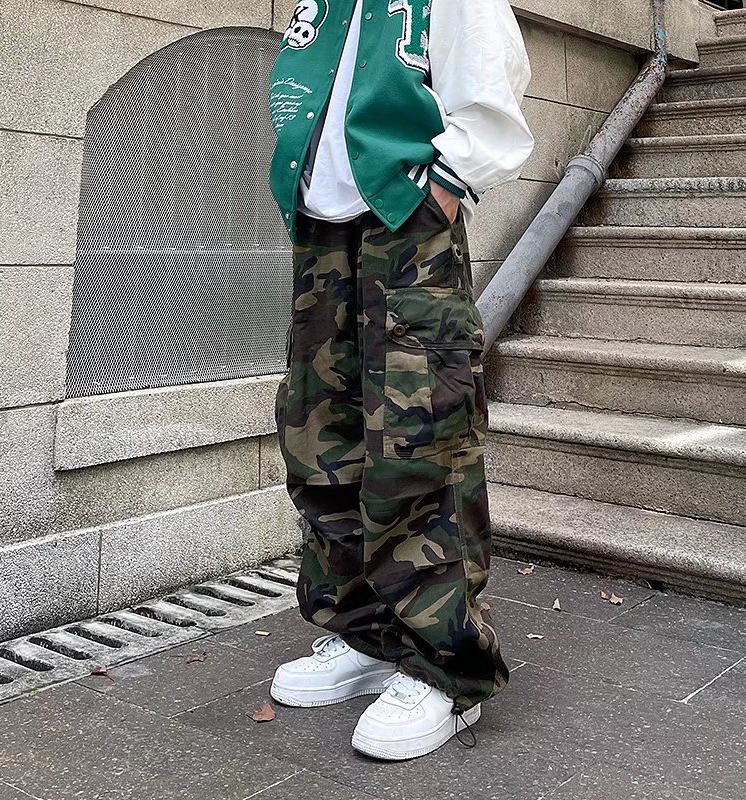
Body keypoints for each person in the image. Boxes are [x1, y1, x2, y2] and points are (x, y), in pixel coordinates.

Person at [266, 0, 534, 761]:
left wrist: (442, 186)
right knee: (321, 433)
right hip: (322, 231)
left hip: (407, 226)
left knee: (423, 437)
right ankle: (366, 636)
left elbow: (492, 87)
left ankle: (445, 668)